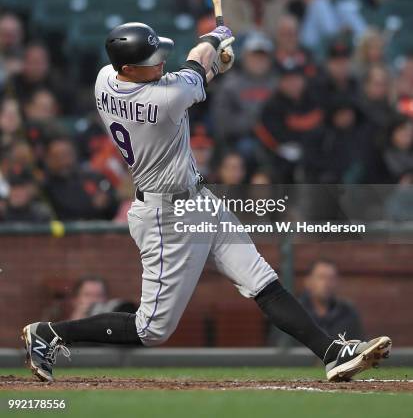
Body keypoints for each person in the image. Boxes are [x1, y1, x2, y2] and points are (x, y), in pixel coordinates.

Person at [23, 22, 391, 383]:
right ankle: (50, 333)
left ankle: (331, 353)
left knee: (261, 280)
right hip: (167, 216)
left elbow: (193, 73)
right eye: (151, 59)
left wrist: (213, 63)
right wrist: (215, 40)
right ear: (128, 69)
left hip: (199, 200)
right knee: (151, 329)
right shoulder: (163, 99)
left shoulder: (106, 78)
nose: (160, 62)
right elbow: (195, 66)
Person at [211, 32, 277, 151]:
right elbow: (221, 122)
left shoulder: (278, 83)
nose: (259, 60)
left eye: (263, 56)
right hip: (240, 141)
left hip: (275, 137)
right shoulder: (230, 84)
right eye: (254, 56)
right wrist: (253, 122)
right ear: (244, 57)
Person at [43, 137, 118, 220]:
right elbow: (68, 209)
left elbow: (112, 199)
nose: (65, 161)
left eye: (68, 154)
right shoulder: (47, 185)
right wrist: (93, 205)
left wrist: (107, 200)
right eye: (59, 156)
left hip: (102, 226)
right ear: (48, 159)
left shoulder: (91, 176)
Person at [299, 260, 365, 340]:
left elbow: (358, 343)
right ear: (308, 281)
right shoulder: (296, 310)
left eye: (331, 278)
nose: (327, 283)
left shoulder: (347, 312)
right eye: (321, 277)